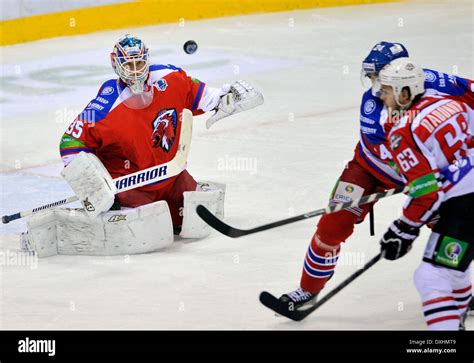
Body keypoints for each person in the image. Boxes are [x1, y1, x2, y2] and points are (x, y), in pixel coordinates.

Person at [276, 41, 474, 314]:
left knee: (454, 227)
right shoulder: (373, 105)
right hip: (370, 170)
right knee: (332, 226)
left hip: (421, 175)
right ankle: (308, 289)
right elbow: (390, 151)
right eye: (370, 78)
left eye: (376, 77)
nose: (374, 85)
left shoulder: (435, 82)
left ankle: (457, 291)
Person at [23, 34, 263, 257]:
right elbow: (70, 142)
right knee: (149, 232)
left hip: (172, 177)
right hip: (131, 184)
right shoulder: (105, 105)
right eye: (129, 65)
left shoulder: (171, 78)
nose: (136, 71)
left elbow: (204, 97)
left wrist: (227, 98)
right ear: (117, 66)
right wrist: (93, 186)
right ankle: (69, 227)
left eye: (140, 63)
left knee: (198, 220)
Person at [378, 58, 473, 330]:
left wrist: (403, 228)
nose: (382, 95)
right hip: (465, 200)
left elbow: (427, 194)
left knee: (431, 277)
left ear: (404, 93)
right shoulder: (453, 103)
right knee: (454, 269)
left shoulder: (401, 132)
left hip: (466, 205)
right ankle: (457, 322)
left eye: (386, 90)